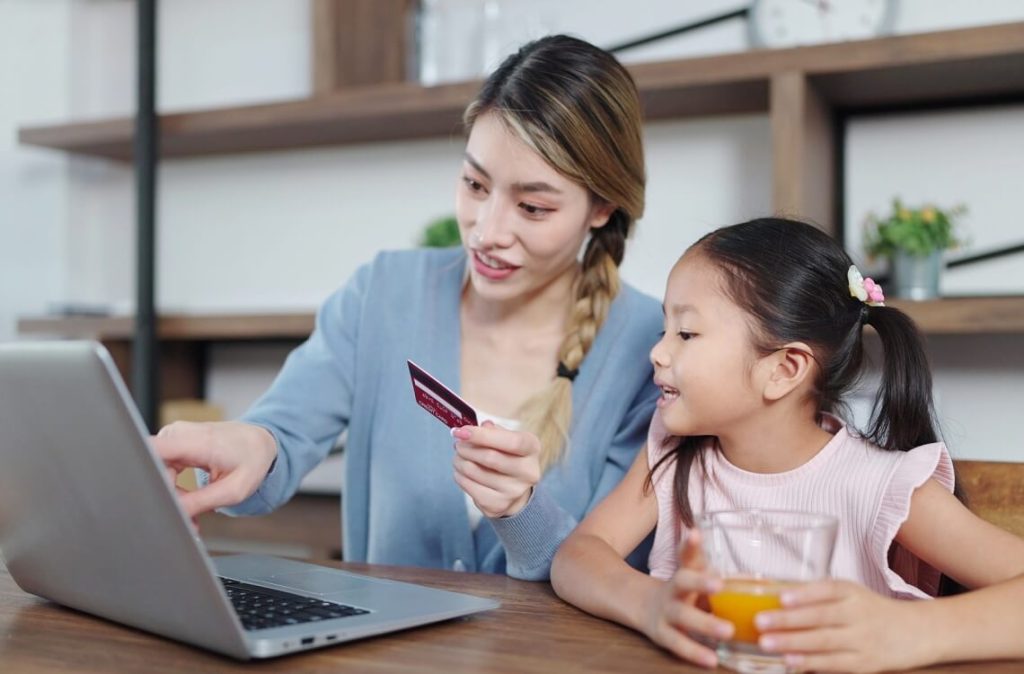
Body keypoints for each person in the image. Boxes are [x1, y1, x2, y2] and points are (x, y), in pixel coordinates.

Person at [153, 35, 661, 581]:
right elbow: (284, 432)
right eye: (474, 184)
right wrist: (248, 443)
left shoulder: (653, 347)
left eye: (533, 207)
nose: (487, 232)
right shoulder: (384, 293)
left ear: (602, 207)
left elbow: (612, 573)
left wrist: (521, 511)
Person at [551, 217, 1024, 671]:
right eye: (664, 329)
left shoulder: (883, 489)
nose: (657, 351)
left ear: (783, 370)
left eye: (687, 333)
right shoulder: (676, 451)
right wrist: (650, 604)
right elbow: (578, 556)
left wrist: (911, 629)